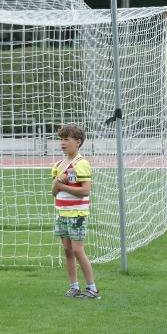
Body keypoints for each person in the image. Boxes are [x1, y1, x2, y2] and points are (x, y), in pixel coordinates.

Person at [51, 124, 98, 299]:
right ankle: (74, 287)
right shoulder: (58, 165)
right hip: (62, 213)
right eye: (61, 139)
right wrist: (57, 182)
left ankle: (92, 289)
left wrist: (62, 185)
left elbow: (85, 190)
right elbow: (54, 192)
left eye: (67, 139)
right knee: (67, 250)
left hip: (77, 214)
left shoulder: (81, 163)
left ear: (78, 142)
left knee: (78, 250)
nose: (62, 143)